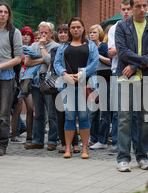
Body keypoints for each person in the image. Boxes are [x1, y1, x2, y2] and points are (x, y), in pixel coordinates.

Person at [114, 0, 148, 172]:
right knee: (124, 118)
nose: (142, 9)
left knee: (145, 119)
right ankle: (123, 158)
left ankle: (142, 156)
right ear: (132, 7)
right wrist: (140, 63)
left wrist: (134, 66)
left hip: (145, 78)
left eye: (145, 6)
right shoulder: (122, 26)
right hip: (125, 77)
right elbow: (122, 51)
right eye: (138, 6)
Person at [54, 17, 99, 159]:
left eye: (78, 27)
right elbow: (56, 63)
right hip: (68, 84)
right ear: (69, 29)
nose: (75, 30)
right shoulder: (63, 46)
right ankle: (68, 147)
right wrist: (64, 74)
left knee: (84, 116)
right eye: (72, 27)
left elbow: (94, 62)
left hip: (85, 84)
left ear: (83, 28)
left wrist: (81, 73)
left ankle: (84, 148)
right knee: (69, 116)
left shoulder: (90, 45)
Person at [0, 2, 23, 156]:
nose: (2, 14)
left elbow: (18, 58)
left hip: (6, 77)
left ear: (8, 15)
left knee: (4, 114)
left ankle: (1, 144)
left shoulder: (14, 32)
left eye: (5, 12)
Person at [107, 0, 137, 156]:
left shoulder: (138, 27)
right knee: (118, 111)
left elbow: (121, 49)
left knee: (134, 111)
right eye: (124, 9)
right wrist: (126, 49)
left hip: (136, 71)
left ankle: (134, 143)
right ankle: (117, 142)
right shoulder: (115, 28)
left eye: (129, 9)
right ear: (120, 11)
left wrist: (122, 50)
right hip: (117, 71)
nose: (126, 11)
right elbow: (112, 51)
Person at [24, 21, 59, 151]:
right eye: (41, 32)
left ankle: (52, 140)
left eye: (46, 32)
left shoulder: (55, 46)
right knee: (38, 113)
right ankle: (37, 140)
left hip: (49, 82)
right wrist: (41, 59)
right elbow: (27, 61)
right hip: (36, 81)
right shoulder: (33, 45)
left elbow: (50, 60)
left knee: (51, 113)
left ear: (51, 33)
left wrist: (43, 48)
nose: (43, 35)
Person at [55, 24, 80, 154]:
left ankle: (75, 143)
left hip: (75, 83)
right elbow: (56, 64)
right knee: (61, 115)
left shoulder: (74, 46)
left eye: (65, 32)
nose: (63, 34)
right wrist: (64, 73)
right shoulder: (58, 48)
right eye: (60, 32)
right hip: (61, 84)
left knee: (72, 114)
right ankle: (64, 143)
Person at [88, 24, 111, 150]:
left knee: (104, 110)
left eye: (95, 32)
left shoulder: (104, 47)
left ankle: (103, 140)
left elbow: (111, 62)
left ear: (100, 34)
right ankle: (93, 138)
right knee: (93, 111)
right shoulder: (89, 48)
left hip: (104, 80)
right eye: (90, 32)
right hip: (92, 81)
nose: (92, 34)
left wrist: (98, 56)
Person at [11, 26, 35, 145]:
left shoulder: (33, 48)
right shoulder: (16, 49)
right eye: (23, 34)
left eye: (28, 34)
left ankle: (29, 136)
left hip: (28, 81)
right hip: (17, 81)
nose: (25, 36)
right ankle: (14, 134)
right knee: (17, 108)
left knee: (30, 108)